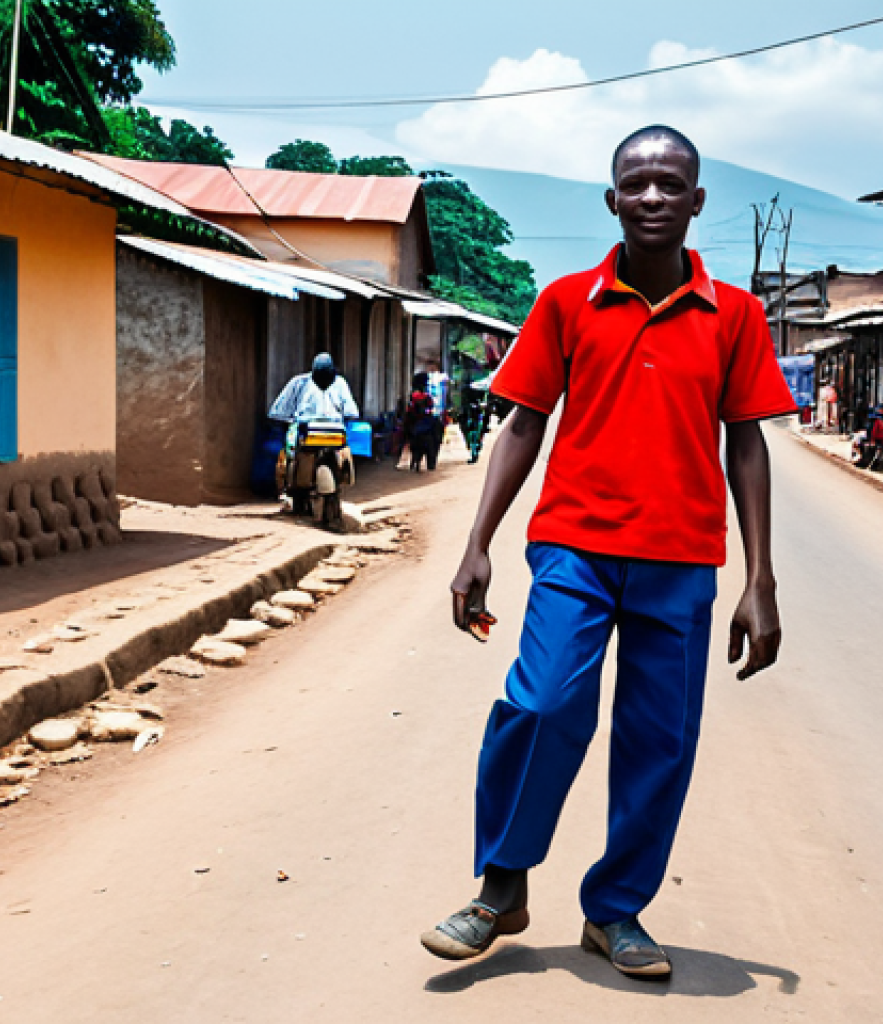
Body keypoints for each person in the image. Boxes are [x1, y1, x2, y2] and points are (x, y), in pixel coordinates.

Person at [419, 125, 797, 978]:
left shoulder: (734, 315)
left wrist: (760, 579)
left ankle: (617, 909)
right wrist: (476, 543)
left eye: (672, 185)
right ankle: (501, 888)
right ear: (613, 200)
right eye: (638, 184)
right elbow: (522, 420)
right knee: (544, 705)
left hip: (682, 559)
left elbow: (748, 444)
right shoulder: (563, 302)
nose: (654, 197)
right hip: (574, 550)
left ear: (698, 201)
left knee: (660, 738)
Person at [268, 353, 358, 427]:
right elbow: (278, 414)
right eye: (320, 378)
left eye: (327, 378)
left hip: (334, 434)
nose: (324, 382)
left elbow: (351, 414)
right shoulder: (299, 382)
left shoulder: (340, 383)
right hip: (304, 433)